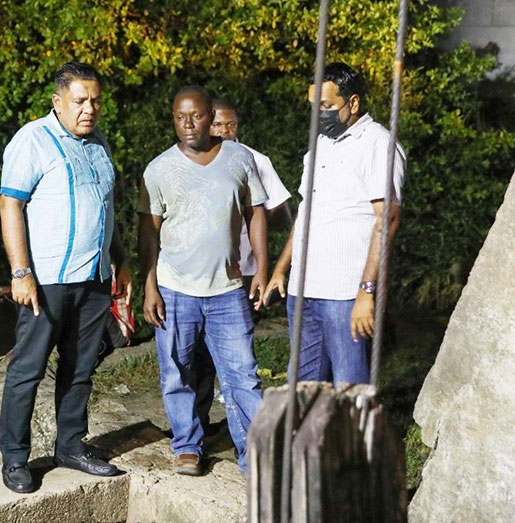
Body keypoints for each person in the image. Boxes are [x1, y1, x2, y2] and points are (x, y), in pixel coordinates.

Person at [0, 61, 129, 493]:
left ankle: (70, 447)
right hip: (47, 280)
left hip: (93, 277)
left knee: (80, 368)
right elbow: (9, 205)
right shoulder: (32, 140)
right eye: (79, 101)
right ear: (58, 102)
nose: (88, 109)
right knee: (28, 370)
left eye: (95, 101)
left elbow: (107, 208)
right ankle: (15, 458)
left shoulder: (99, 144)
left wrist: (120, 259)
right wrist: (21, 273)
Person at [137, 86, 267, 477]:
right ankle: (187, 446)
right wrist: (149, 285)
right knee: (178, 371)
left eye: (196, 116)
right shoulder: (159, 169)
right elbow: (148, 231)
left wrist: (262, 266)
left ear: (212, 116)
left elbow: (256, 212)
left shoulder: (239, 158)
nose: (188, 124)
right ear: (173, 119)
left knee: (242, 375)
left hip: (227, 291)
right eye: (180, 117)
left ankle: (256, 454)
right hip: (175, 289)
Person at [263, 62, 406, 385]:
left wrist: (366, 292)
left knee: (349, 385)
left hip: (345, 293)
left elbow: (389, 221)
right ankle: (310, 438)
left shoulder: (378, 145)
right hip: (304, 289)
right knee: (302, 384)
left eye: (327, 106)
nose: (319, 114)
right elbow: (306, 211)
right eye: (314, 106)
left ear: (353, 103)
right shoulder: (321, 146)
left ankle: (351, 438)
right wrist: (281, 270)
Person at [190, 97, 293, 431]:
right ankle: (200, 426)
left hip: (243, 272)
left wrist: (254, 225)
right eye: (218, 124)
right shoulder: (190, 158)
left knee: (238, 357)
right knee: (198, 356)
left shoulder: (254, 160)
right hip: (199, 273)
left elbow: (281, 207)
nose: (225, 131)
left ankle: (248, 432)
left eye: (230, 124)